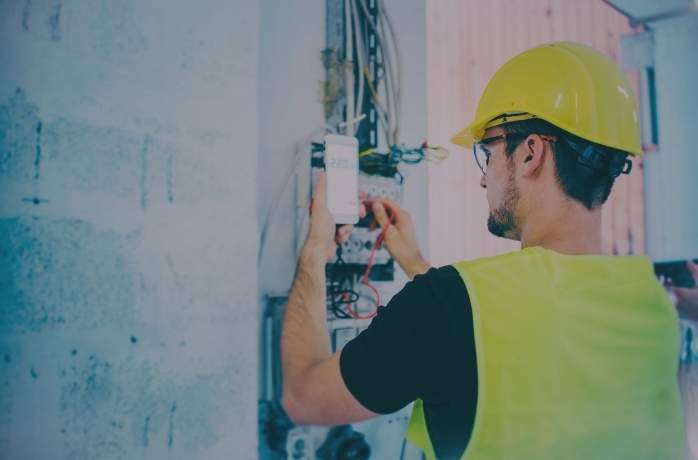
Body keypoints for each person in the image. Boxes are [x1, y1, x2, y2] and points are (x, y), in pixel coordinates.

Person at [280, 42, 685, 460]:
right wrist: (417, 265)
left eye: (486, 151)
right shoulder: (655, 305)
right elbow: (522, 337)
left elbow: (304, 396)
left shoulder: (448, 305)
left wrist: (315, 249)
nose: (482, 179)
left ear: (530, 152)